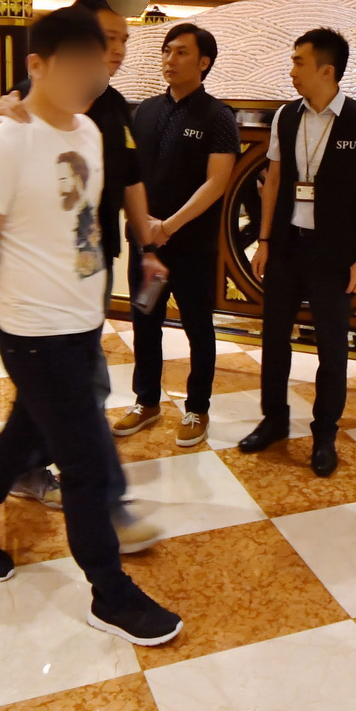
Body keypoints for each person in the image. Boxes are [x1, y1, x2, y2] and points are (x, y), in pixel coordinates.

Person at [0, 7, 183, 647]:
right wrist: (1, 300)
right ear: (37, 66)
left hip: (79, 319)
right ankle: (110, 592)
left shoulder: (90, 131)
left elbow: (83, 225)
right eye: (76, 65)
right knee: (83, 460)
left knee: (24, 434)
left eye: (96, 64)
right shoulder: (4, 139)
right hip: (33, 330)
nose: (90, 76)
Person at [0, 0, 161, 533]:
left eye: (121, 40)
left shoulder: (109, 108)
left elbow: (129, 177)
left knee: (42, 405)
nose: (114, 51)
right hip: (38, 285)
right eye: (105, 39)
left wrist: (147, 245)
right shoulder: (31, 98)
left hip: (87, 270)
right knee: (83, 394)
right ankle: (108, 511)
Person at [240, 27, 356, 477]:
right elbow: (274, 181)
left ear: (327, 70)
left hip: (335, 253)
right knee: (273, 337)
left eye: (298, 62)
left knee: (331, 347)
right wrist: (264, 241)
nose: (292, 71)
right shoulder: (286, 116)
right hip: (286, 246)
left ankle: (325, 433)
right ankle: (274, 419)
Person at [118, 23, 238, 448]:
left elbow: (217, 182)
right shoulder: (145, 111)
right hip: (147, 245)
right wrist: (143, 223)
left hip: (190, 246)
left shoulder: (218, 116)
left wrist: (169, 225)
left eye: (182, 52)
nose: (170, 59)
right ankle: (146, 401)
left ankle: (197, 407)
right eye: (167, 51)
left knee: (197, 327)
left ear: (204, 62)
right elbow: (130, 173)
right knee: (145, 321)